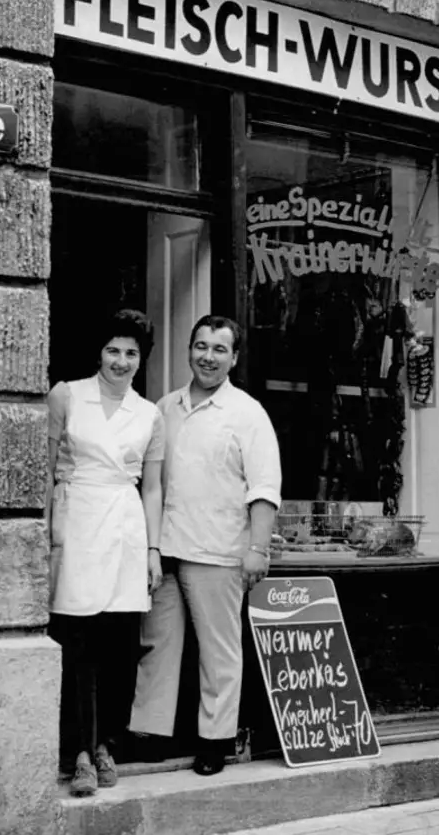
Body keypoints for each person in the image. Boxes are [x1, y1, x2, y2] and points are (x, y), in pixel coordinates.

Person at [130, 314, 282, 776]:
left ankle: (215, 740)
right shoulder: (165, 407)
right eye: (200, 346)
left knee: (219, 651)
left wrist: (258, 548)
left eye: (219, 349)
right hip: (166, 547)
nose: (207, 357)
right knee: (157, 644)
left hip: (218, 550)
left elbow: (264, 486)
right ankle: (150, 735)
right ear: (189, 350)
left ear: (234, 357)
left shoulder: (247, 413)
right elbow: (151, 481)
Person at [46, 309, 165, 797]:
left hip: (125, 525)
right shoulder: (67, 394)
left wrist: (153, 548)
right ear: (99, 352)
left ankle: (104, 746)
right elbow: (44, 464)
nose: (121, 360)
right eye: (113, 350)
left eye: (131, 353)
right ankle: (77, 752)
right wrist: (42, 530)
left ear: (142, 360)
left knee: (118, 643)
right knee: (77, 640)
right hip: (76, 520)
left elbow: (153, 487)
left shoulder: (149, 413)